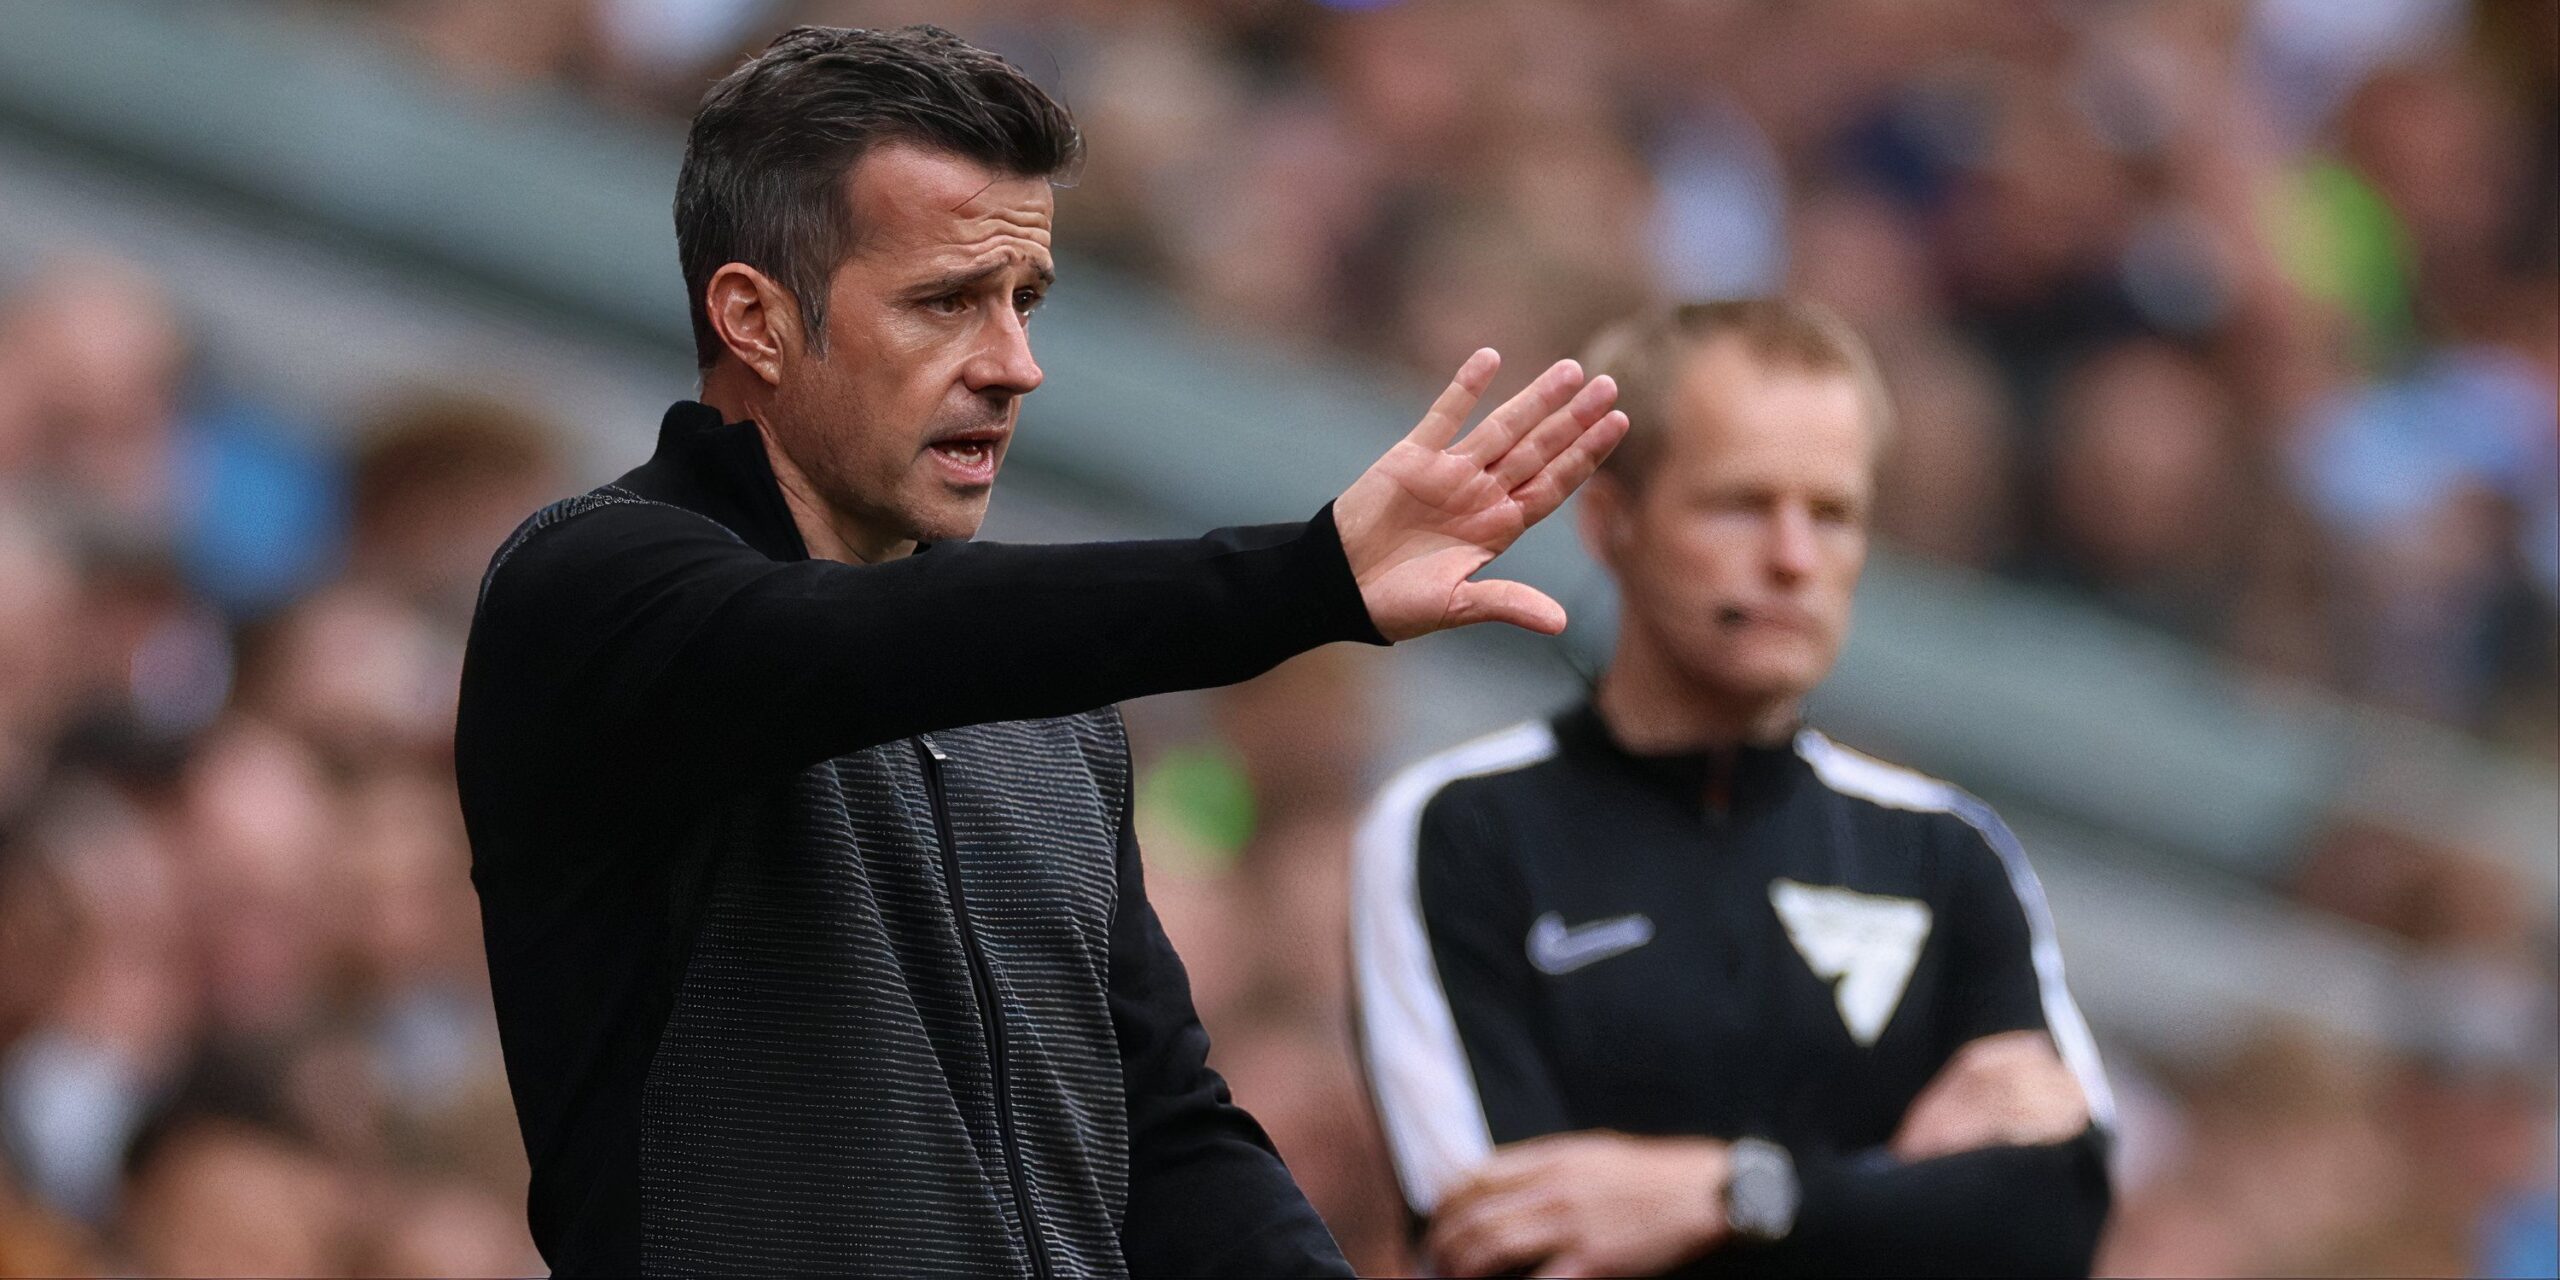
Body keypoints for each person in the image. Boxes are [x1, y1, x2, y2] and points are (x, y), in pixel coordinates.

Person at [453, 23, 1626, 1278]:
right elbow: (851, 643)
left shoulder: (1051, 713)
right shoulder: (590, 589)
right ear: (755, 320)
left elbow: (1161, 1132)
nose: (1015, 365)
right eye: (946, 301)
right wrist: (1307, 578)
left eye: (1026, 300)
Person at [1350, 299, 2114, 1278]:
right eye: (1742, 505)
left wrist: (1736, 1191)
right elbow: (1514, 1244)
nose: (1794, 558)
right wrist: (1905, 1198)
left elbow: (2058, 1219)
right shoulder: (1457, 829)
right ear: (1610, 521)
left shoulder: (1948, 854)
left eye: (1833, 514)